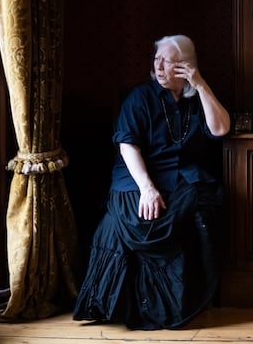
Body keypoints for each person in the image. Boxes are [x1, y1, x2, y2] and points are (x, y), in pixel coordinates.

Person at [73, 34, 231, 330]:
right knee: (142, 220)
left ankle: (180, 300)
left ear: (185, 66)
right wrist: (147, 188)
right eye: (156, 59)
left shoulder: (196, 98)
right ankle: (125, 304)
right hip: (137, 174)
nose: (158, 67)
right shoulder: (140, 97)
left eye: (167, 61)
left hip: (182, 175)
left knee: (199, 207)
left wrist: (200, 85)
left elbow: (221, 128)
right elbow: (127, 146)